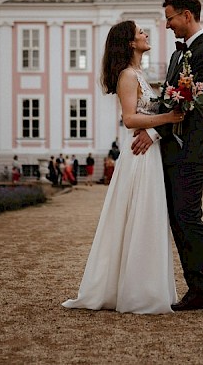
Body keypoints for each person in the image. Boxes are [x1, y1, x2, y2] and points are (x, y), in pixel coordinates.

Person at [132, 0, 203, 317]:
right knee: (179, 223)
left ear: (187, 15)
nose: (166, 25)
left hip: (191, 151)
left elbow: (188, 105)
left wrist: (152, 129)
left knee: (191, 219)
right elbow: (170, 101)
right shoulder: (179, 56)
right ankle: (198, 291)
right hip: (172, 151)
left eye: (169, 18)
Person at [62, 20, 185, 314]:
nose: (145, 35)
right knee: (141, 216)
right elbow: (129, 119)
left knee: (146, 217)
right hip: (139, 156)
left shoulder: (138, 74)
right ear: (131, 43)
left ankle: (141, 287)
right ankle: (139, 292)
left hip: (147, 153)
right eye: (140, 32)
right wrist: (168, 119)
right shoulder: (128, 76)